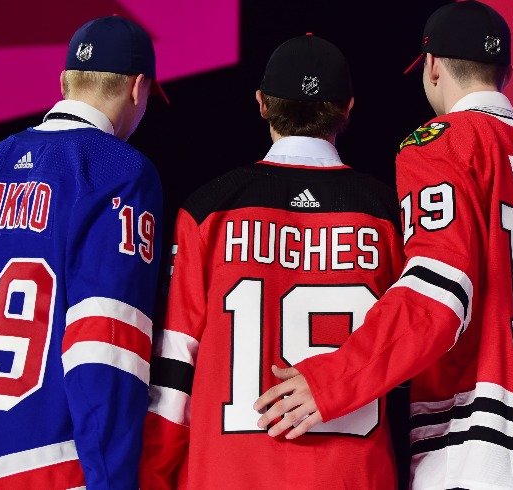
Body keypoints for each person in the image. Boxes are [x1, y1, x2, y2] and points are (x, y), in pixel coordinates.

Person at [254, 2, 513, 488]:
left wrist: (332, 379)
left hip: (482, 456)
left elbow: (437, 297)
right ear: (505, 73)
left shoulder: (441, 142)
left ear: (432, 67)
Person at [0, 15, 165, 489]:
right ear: (137, 88)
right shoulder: (120, 172)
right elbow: (105, 347)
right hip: (44, 467)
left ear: (64, 81)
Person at [140, 34, 405, 489]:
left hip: (225, 475)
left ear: (261, 103)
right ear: (348, 108)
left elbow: (174, 367)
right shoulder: (388, 213)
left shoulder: (209, 208)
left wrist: (154, 474)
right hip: (353, 475)